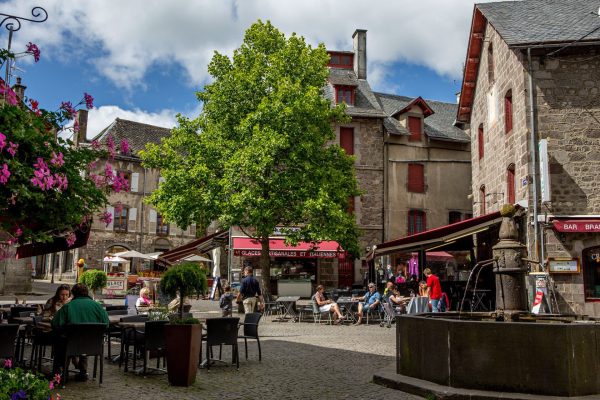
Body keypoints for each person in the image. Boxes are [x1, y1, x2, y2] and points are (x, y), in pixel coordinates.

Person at [51, 283, 109, 381]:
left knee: (60, 342)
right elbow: (106, 324)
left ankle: (60, 373)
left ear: (73, 294)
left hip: (70, 344)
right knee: (83, 341)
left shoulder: (68, 307)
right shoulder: (98, 307)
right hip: (93, 345)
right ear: (87, 293)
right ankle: (83, 372)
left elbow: (55, 324)